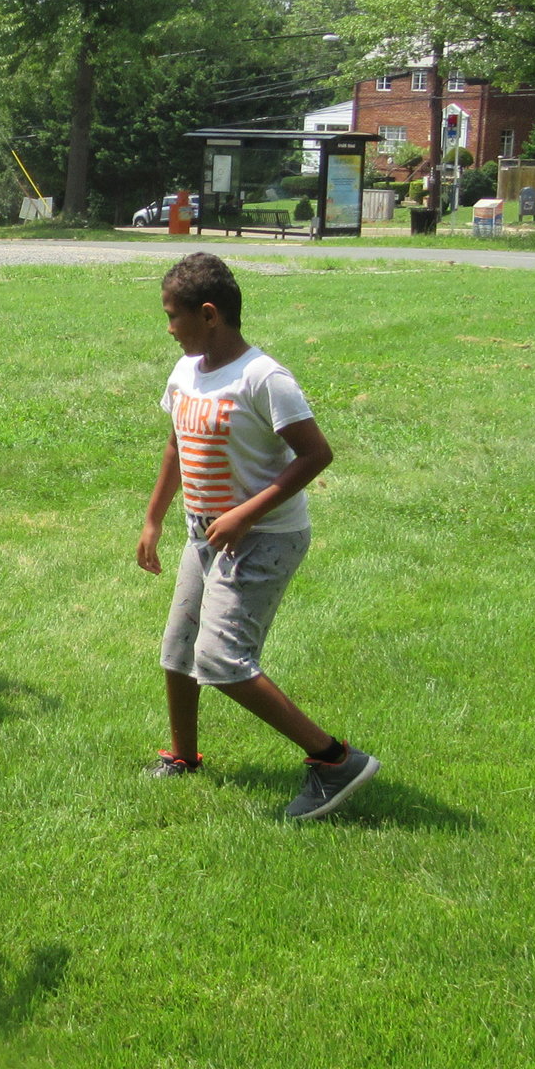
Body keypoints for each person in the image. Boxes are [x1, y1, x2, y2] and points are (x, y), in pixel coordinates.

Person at [135, 252, 378, 821]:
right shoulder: (185, 372)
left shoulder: (263, 378)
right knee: (178, 651)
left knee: (220, 659)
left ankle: (335, 760)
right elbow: (177, 445)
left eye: (174, 316)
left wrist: (245, 513)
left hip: (263, 536)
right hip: (206, 535)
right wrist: (153, 520)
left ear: (210, 314)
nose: (168, 328)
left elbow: (316, 454)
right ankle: (183, 756)